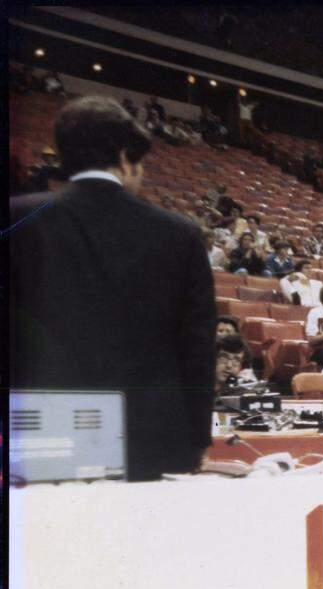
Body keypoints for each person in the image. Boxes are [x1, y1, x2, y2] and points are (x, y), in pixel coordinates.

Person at [10, 96, 215, 481]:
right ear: (124, 158)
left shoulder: (18, 221)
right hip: (152, 440)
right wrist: (195, 439)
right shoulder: (181, 234)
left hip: (38, 437)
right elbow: (197, 346)